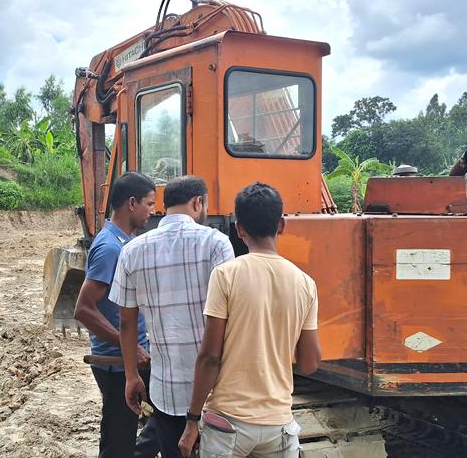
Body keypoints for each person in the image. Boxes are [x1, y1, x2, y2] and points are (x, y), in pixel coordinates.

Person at [178, 183, 320, 457]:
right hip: (279, 425)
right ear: (281, 225)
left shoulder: (225, 275)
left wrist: (192, 419)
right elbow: (310, 362)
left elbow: (209, 357)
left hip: (228, 423)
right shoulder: (305, 283)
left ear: (239, 228)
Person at [112, 175, 235, 458]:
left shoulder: (131, 251)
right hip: (216, 393)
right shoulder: (217, 244)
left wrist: (131, 376)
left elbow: (127, 322)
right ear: (198, 202)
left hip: (166, 392)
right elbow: (231, 315)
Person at [72, 172, 160, 458]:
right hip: (115, 363)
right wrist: (129, 346)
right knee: (118, 438)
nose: (153, 210)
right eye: (149, 203)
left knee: (156, 422)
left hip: (127, 358)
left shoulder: (122, 242)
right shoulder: (110, 247)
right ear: (131, 203)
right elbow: (84, 309)